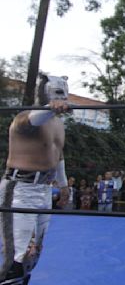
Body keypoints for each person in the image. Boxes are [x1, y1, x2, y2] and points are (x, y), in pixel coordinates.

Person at [0, 74, 71, 284]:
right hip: (20, 189)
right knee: (16, 255)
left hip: (45, 190)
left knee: (34, 253)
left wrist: (64, 186)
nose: (63, 98)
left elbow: (58, 154)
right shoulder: (24, 118)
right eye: (59, 94)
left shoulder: (58, 124)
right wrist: (50, 107)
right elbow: (33, 120)